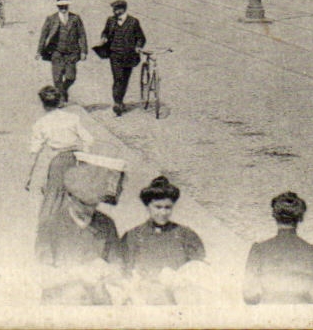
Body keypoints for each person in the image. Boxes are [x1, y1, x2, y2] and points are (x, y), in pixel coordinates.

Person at [37, 152, 127, 304]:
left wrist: (107, 270)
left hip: (97, 302)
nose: (89, 210)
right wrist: (77, 273)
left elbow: (118, 267)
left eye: (94, 204)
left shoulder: (106, 224)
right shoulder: (51, 225)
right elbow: (42, 276)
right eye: (84, 204)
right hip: (61, 303)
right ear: (70, 197)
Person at [26, 85, 98, 259]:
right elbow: (89, 139)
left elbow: (34, 152)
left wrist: (29, 177)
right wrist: (84, 158)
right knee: (77, 200)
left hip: (57, 163)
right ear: (60, 101)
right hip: (75, 160)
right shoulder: (72, 118)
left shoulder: (41, 124)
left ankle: (46, 243)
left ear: (43, 104)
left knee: (53, 201)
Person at [119, 176, 207, 303]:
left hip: (178, 302)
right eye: (158, 207)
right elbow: (124, 275)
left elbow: (199, 273)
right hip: (142, 302)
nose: (163, 212)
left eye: (168, 207)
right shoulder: (132, 236)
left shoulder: (186, 235)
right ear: (148, 206)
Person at [244, 191, 313, 304]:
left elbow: (249, 296)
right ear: (300, 217)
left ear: (274, 216)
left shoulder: (259, 250)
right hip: (302, 317)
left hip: (268, 317)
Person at [95, 0, 146, 115]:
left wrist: (138, 46)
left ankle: (120, 100)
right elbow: (105, 32)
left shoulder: (133, 22)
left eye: (117, 9)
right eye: (114, 9)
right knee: (118, 78)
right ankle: (117, 103)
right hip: (115, 54)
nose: (115, 12)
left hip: (129, 55)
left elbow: (141, 38)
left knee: (125, 79)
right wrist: (103, 38)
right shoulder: (110, 20)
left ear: (123, 9)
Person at [38, 0, 88, 98]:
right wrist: (39, 51)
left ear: (68, 6)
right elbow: (43, 35)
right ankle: (60, 99)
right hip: (57, 52)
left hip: (72, 53)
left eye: (65, 6)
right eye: (61, 7)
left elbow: (82, 34)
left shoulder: (75, 18)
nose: (63, 9)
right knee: (57, 78)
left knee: (71, 77)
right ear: (57, 7)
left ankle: (63, 90)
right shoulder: (51, 19)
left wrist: (83, 51)